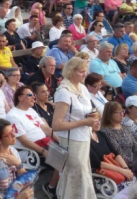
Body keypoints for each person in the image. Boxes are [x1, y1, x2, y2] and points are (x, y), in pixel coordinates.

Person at [52, 57, 97, 198]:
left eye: (85, 71)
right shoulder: (63, 92)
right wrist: (84, 122)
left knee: (82, 173)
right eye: (81, 71)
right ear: (71, 71)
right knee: (76, 174)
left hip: (84, 137)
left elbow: (86, 111)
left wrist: (93, 117)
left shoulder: (82, 87)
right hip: (71, 141)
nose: (85, 74)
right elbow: (56, 125)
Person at [0, 118, 28, 197]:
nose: (14, 135)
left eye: (13, 131)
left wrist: (18, 164)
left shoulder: (12, 150)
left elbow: (25, 180)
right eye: (9, 134)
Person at [90, 112, 134, 186]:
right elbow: (97, 163)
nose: (98, 123)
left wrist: (126, 169)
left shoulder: (101, 134)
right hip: (101, 177)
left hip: (115, 170)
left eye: (99, 120)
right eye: (95, 121)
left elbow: (115, 153)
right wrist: (122, 171)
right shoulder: (85, 140)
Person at [100, 101, 137, 168]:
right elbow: (118, 153)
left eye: (122, 111)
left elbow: (134, 145)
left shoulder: (123, 127)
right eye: (117, 112)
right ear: (109, 114)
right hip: (124, 165)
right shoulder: (105, 132)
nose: (121, 114)